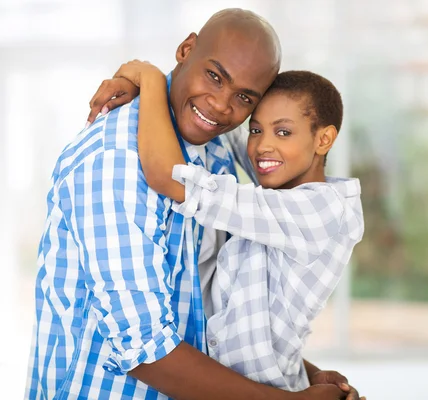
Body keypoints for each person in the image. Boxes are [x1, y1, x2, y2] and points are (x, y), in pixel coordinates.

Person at [27, 8, 359, 400]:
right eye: (215, 76)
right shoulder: (115, 160)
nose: (220, 105)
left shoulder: (213, 144)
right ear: (186, 49)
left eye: (243, 98)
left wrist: (303, 376)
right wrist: (147, 76)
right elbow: (143, 348)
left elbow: (220, 317)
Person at [95, 60, 364, 392]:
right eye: (257, 130)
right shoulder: (281, 190)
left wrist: (147, 77)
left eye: (283, 131)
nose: (263, 145)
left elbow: (170, 176)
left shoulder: (318, 210)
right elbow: (224, 125)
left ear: (323, 140)